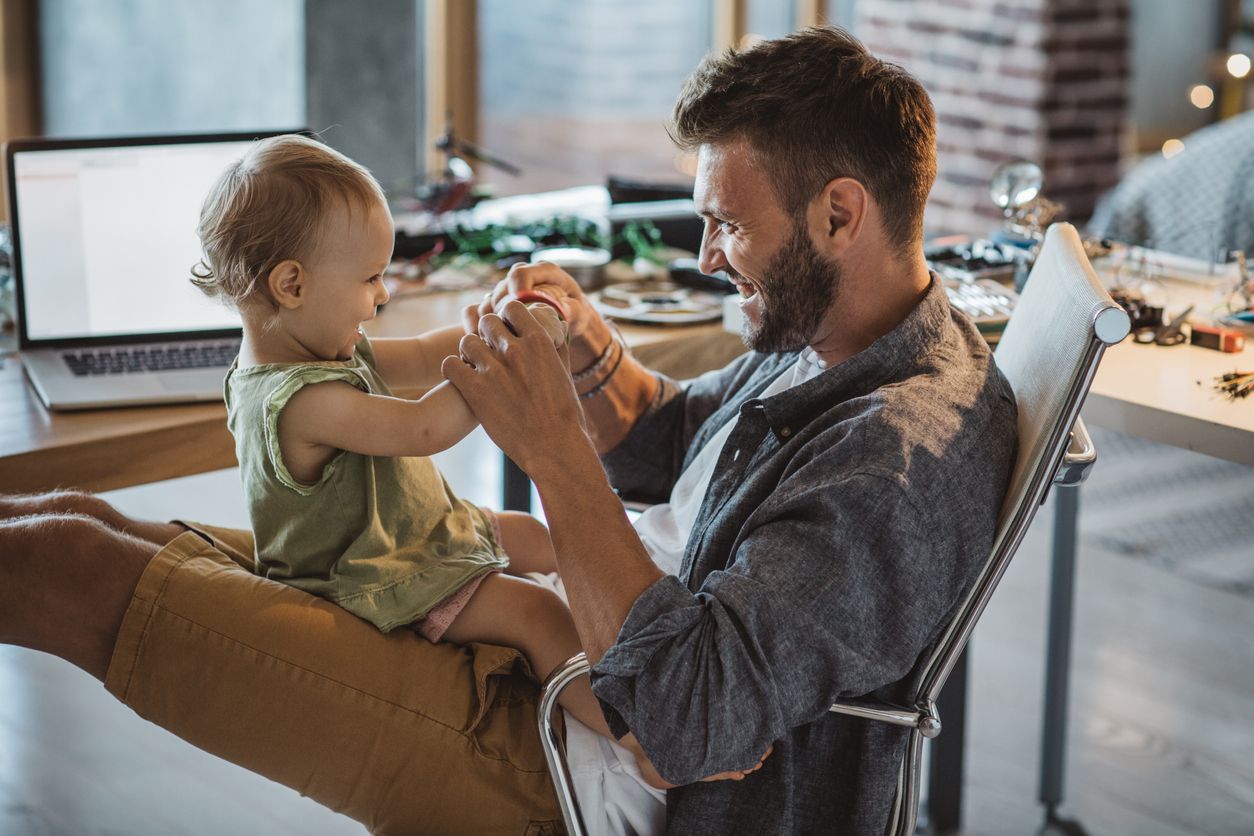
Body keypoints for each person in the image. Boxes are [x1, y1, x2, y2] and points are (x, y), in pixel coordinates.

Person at [0, 25, 1016, 835]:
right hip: (559, 635)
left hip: (585, 760)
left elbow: (685, 724)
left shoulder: (893, 459)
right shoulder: (835, 335)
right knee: (82, 523)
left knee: (72, 567)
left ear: (841, 215)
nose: (708, 255)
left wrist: (553, 449)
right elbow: (680, 452)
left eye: (729, 224)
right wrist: (593, 360)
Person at [189, 132, 695, 788]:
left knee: (537, 537)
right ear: (292, 285)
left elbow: (431, 353)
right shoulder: (297, 400)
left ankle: (654, 628)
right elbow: (423, 427)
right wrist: (508, 368)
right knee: (536, 615)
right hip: (373, 574)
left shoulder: (327, 351)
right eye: (371, 279)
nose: (382, 296)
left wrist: (502, 326)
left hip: (414, 536)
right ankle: (644, 741)